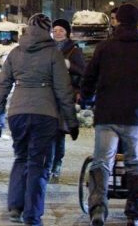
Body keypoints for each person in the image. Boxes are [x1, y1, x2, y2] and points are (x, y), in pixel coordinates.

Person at [0, 13, 78, 226]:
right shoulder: (53, 55)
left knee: (21, 157)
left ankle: (15, 207)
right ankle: (32, 215)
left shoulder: (15, 53)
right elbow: (63, 91)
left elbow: (2, 86)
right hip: (45, 114)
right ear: (48, 30)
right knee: (38, 163)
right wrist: (71, 121)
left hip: (18, 113)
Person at [81, 3, 138, 226]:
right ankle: (134, 214)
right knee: (137, 164)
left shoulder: (105, 47)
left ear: (118, 21)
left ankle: (98, 210)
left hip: (107, 114)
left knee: (102, 163)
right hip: (135, 116)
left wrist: (85, 98)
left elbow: (89, 77)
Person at [49, 18, 86, 179]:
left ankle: (57, 162)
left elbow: (83, 72)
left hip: (65, 95)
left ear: (67, 33)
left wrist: (70, 65)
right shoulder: (47, 49)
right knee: (48, 130)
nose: (57, 33)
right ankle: (48, 162)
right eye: (55, 30)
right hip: (48, 95)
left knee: (59, 132)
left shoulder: (74, 51)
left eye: (61, 31)